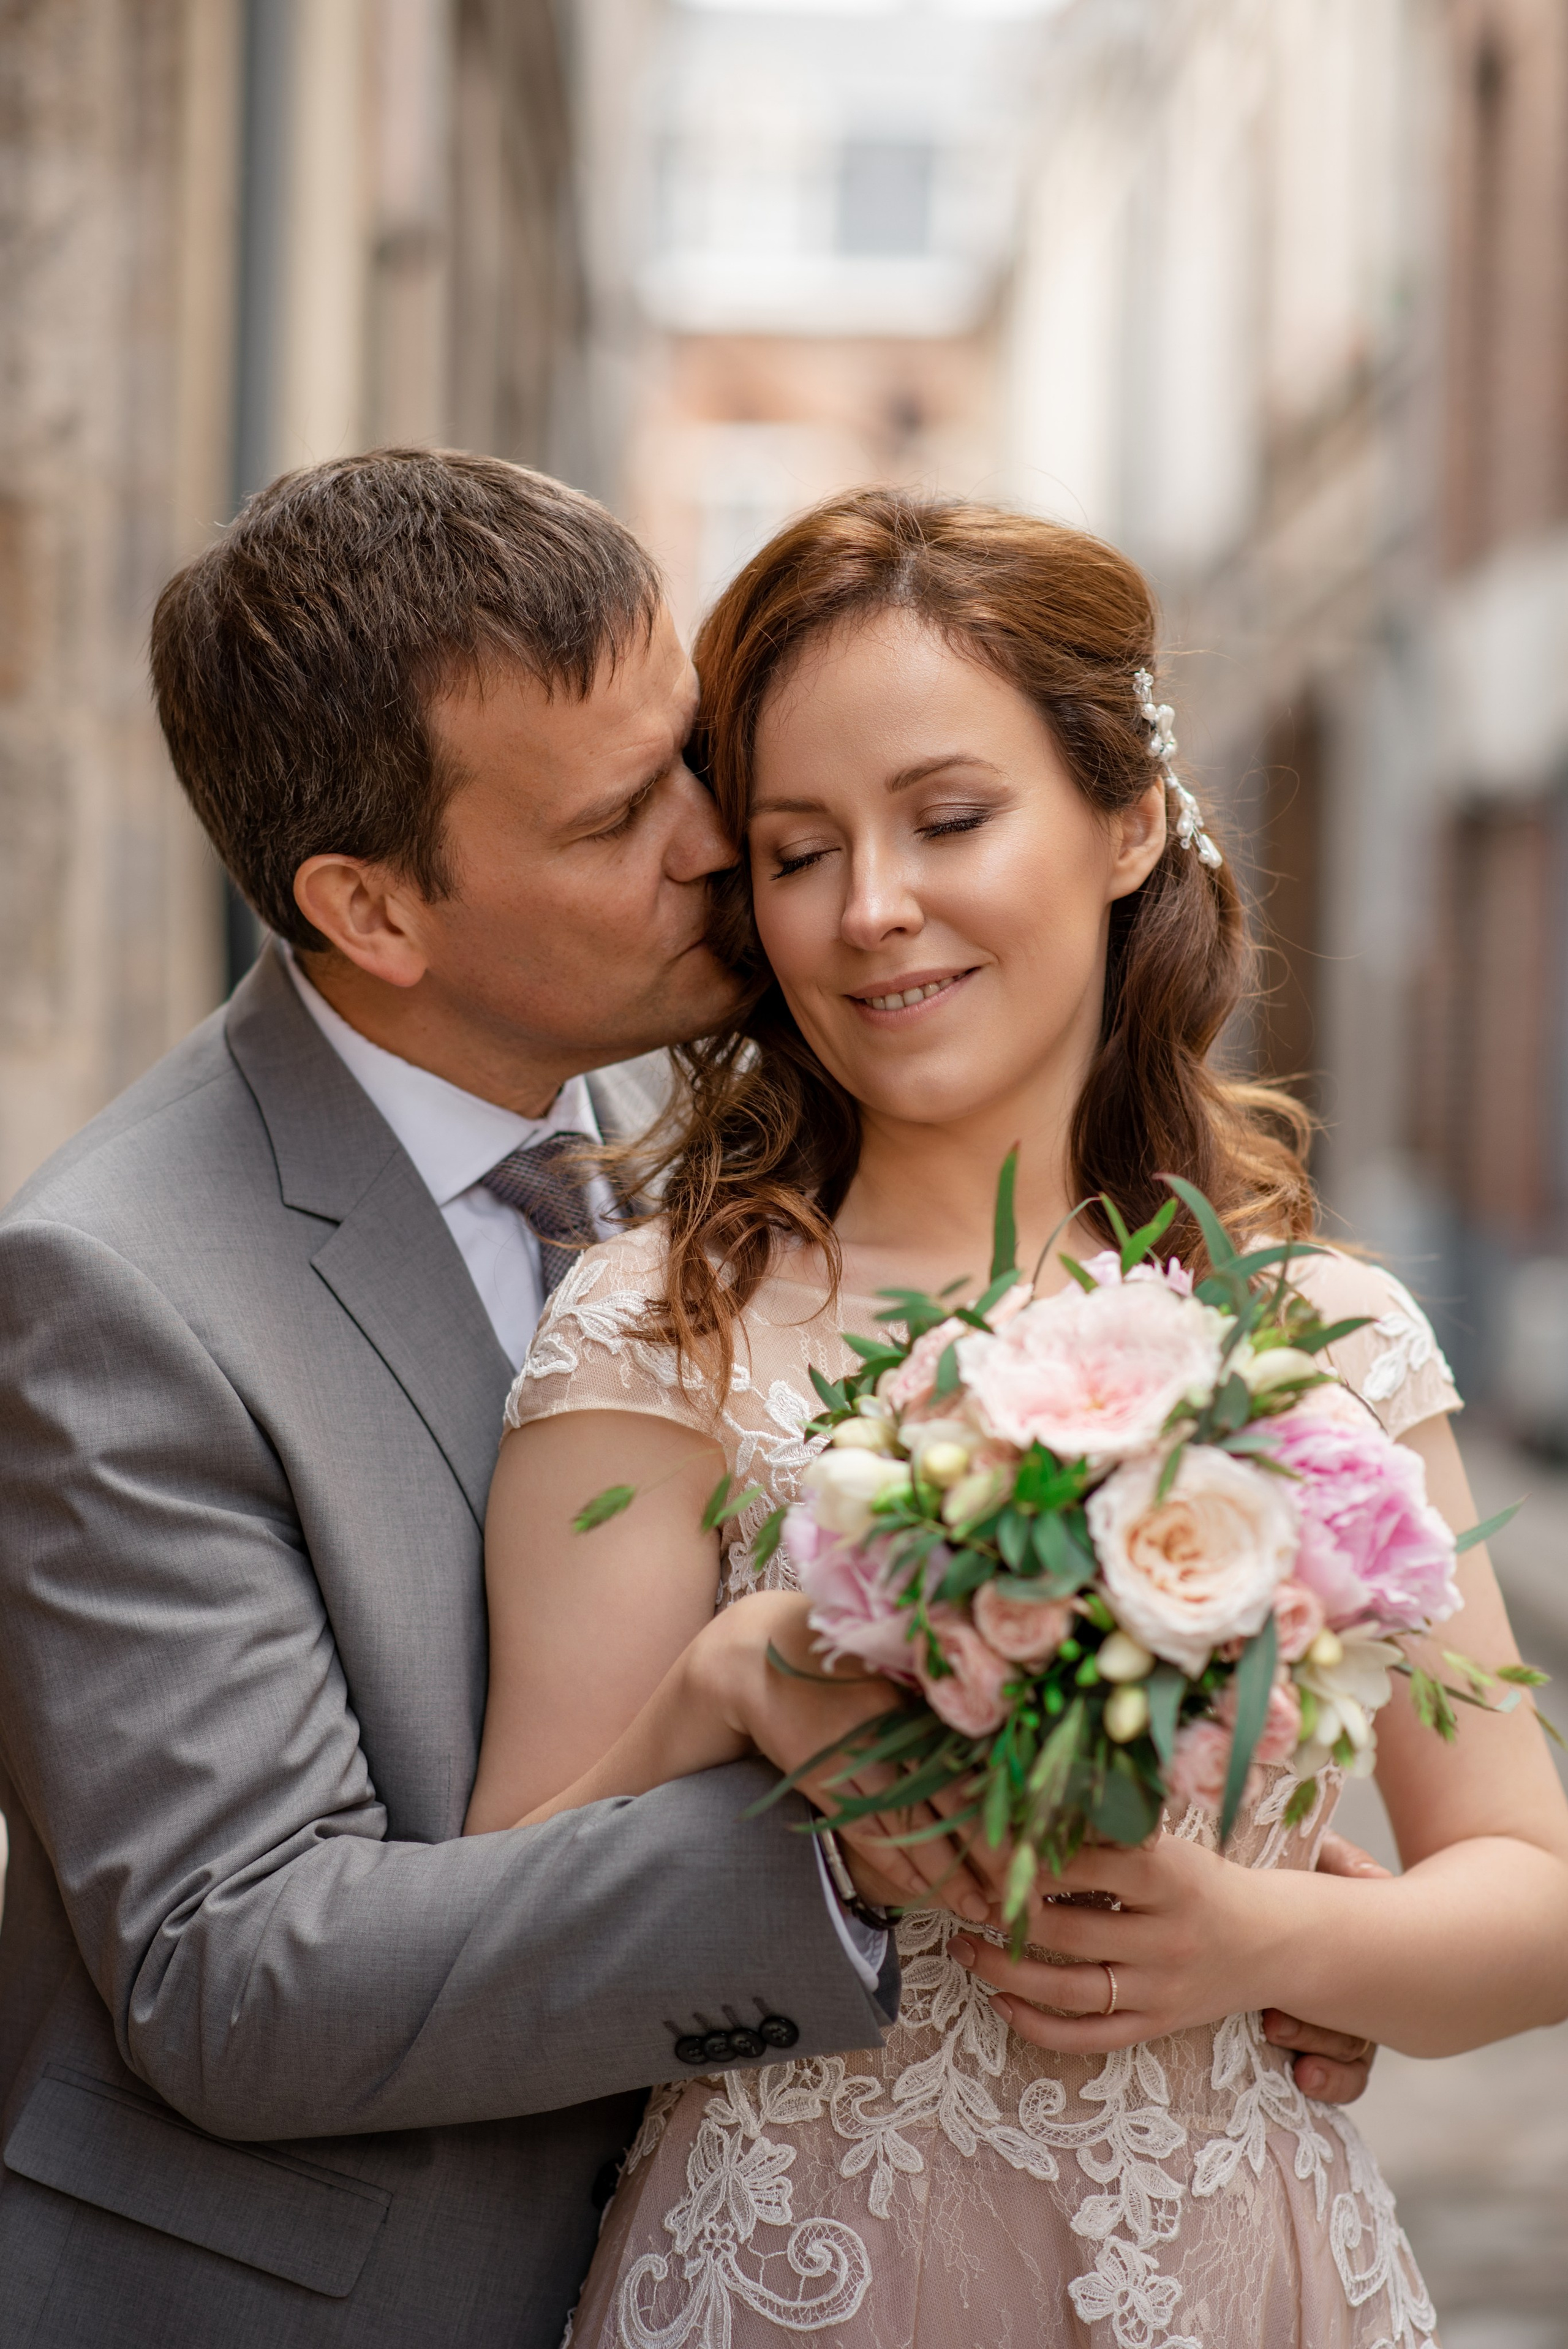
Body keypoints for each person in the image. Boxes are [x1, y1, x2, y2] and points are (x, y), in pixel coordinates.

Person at [0, 451, 1374, 2349]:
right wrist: (848, 1796)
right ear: (374, 910)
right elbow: (239, 1972)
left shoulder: (696, 1173)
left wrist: (1228, 1867)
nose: (722, 841)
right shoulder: (118, 1284)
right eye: (621, 813)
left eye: (693, 757)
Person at [471, 490, 1568, 2348]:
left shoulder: (1320, 1337)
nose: (870, 905)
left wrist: (1269, 1939)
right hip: (801, 2279)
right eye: (798, 850)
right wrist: (726, 1682)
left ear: (1130, 817)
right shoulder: (664, 1328)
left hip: (1243, 2276)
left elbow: (1529, 1894)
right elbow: (502, 1949)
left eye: (949, 817)